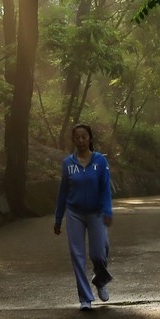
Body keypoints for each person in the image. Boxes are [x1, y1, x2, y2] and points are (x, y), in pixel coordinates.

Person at [53, 123, 113, 309]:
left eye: (84, 137)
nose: (80, 140)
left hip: (96, 213)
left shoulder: (100, 161)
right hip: (74, 214)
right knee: (77, 255)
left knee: (98, 254)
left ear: (90, 139)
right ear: (73, 140)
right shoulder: (68, 164)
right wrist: (58, 218)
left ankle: (100, 280)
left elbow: (105, 189)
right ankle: (85, 299)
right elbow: (62, 193)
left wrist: (107, 211)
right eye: (77, 137)